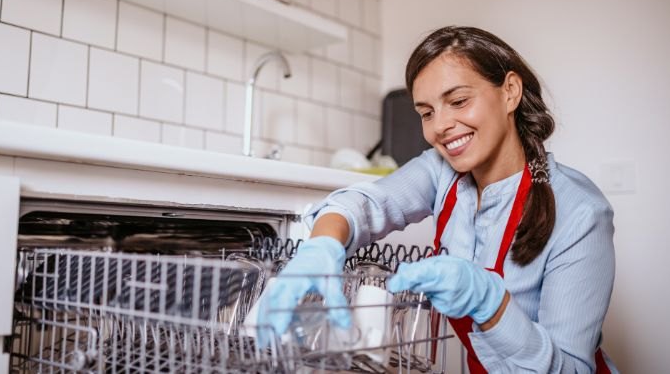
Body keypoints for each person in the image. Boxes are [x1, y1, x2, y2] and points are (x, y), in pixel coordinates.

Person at [258, 26, 617, 373]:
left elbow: (571, 369)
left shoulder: (579, 211)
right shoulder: (441, 171)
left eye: (458, 101)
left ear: (510, 91)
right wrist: (321, 247)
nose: (440, 127)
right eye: (427, 113)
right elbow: (363, 204)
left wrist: (492, 305)